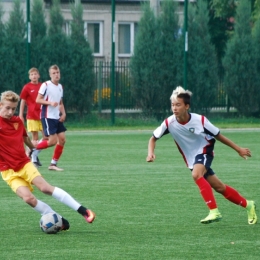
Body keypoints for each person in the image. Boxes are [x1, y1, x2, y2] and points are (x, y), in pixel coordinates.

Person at [146, 86, 257, 225]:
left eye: (178, 105)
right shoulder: (169, 123)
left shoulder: (201, 121)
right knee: (219, 187)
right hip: (191, 158)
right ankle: (249, 205)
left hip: (205, 149)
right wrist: (150, 153)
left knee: (196, 175)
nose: (174, 108)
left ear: (187, 106)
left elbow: (219, 136)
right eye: (173, 105)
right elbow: (153, 138)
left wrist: (238, 149)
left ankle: (214, 211)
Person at [0, 90, 95, 231]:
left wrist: (33, 148)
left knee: (45, 188)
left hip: (24, 163)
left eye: (13, 109)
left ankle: (83, 210)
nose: (10, 112)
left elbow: (25, 137)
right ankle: (57, 218)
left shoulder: (17, 121)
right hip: (7, 171)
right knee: (28, 199)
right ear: (0, 105)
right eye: (7, 108)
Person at [31, 64, 66, 171]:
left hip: (56, 117)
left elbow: (60, 102)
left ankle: (53, 164)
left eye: (58, 72)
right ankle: (31, 151)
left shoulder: (60, 87)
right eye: (54, 73)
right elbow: (38, 100)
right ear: (50, 75)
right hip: (47, 116)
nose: (56, 75)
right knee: (52, 141)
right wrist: (50, 103)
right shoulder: (46, 85)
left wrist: (63, 113)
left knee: (62, 139)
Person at [19, 67, 47, 167]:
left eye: (35, 74)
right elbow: (22, 101)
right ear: (29, 76)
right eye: (32, 74)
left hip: (42, 115)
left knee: (46, 137)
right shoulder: (27, 87)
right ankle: (32, 157)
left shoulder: (42, 86)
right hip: (32, 116)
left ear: (38, 75)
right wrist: (20, 114)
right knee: (34, 138)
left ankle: (30, 153)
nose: (34, 76)